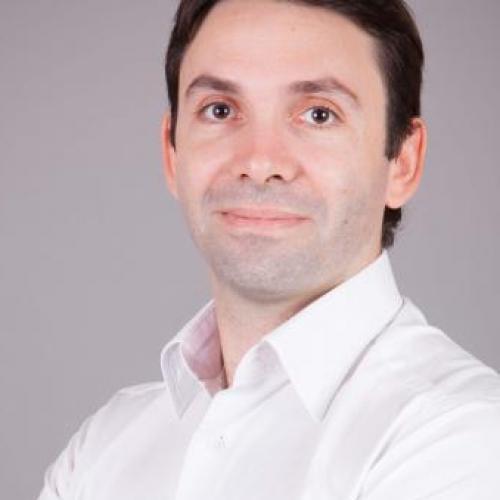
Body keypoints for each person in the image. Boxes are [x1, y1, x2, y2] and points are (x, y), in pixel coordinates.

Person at [38, 0, 500, 499]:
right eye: (220, 110)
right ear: (172, 152)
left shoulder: (462, 436)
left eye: (318, 115)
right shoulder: (105, 447)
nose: (259, 162)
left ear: (402, 162)